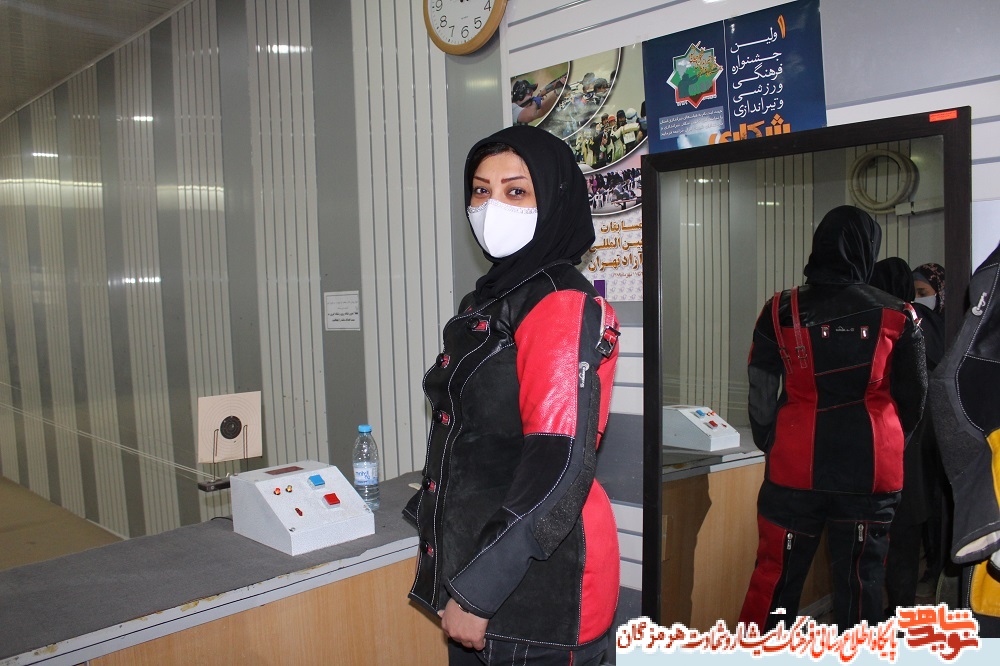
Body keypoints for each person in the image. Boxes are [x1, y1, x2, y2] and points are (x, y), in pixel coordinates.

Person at [404, 125, 621, 664]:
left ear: (554, 199)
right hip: (484, 565)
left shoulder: (558, 302)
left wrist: (478, 592)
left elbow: (558, 462)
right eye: (481, 190)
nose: (491, 207)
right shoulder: (492, 298)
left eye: (516, 191)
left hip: (534, 587)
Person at [739, 205, 927, 631]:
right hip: (871, 470)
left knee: (775, 579)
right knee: (862, 584)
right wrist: (890, 442)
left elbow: (761, 385)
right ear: (868, 248)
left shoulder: (779, 308)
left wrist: (772, 440)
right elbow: (913, 398)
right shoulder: (899, 314)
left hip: (794, 464)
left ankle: (757, 653)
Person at [869, 257, 938, 611]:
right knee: (905, 549)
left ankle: (878, 620)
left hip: (884, 450)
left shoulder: (884, 325)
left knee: (875, 549)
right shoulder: (925, 324)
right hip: (914, 453)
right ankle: (900, 615)